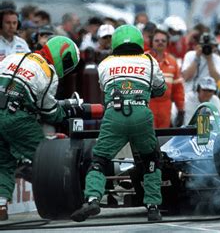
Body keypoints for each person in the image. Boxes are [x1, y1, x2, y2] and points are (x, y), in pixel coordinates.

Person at [70, 25, 167, 222]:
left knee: (99, 160)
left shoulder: (105, 63)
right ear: (139, 41)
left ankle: (93, 199)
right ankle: (153, 207)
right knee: (151, 160)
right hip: (141, 112)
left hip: (114, 114)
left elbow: (104, 88)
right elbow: (161, 89)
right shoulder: (150, 61)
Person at [0, 36, 81, 221]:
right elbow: (49, 111)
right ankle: (63, 203)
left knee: (3, 162)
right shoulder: (48, 72)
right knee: (47, 157)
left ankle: (1, 205)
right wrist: (67, 111)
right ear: (64, 57)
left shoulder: (14, 56)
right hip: (16, 117)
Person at [147, 28, 185, 128]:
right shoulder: (144, 59)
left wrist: (181, 110)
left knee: (164, 139)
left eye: (163, 41)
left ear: (167, 43)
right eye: (157, 40)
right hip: (147, 106)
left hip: (166, 107)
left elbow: (178, 89)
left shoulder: (172, 62)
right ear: (151, 42)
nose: (160, 43)